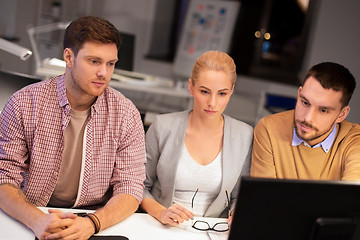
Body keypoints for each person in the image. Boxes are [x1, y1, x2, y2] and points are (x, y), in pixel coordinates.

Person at [0, 16, 146, 239]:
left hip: (96, 218)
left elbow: (130, 188)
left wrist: (92, 224)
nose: (104, 73)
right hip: (35, 214)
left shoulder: (126, 114)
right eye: (94, 61)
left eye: (111, 63)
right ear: (69, 57)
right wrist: (37, 220)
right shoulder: (24, 103)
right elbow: (4, 179)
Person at [140, 50, 253, 227]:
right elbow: (139, 186)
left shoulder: (244, 135)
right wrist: (161, 212)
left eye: (222, 93)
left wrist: (235, 214)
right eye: (204, 91)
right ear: (191, 87)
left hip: (214, 231)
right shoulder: (162, 127)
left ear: (231, 91)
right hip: (160, 226)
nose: (212, 103)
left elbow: (240, 195)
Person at [251, 62, 360, 180]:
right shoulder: (269, 129)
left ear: (341, 114)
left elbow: (352, 196)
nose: (307, 118)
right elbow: (264, 196)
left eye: (323, 110)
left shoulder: (355, 141)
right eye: (305, 103)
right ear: (299, 94)